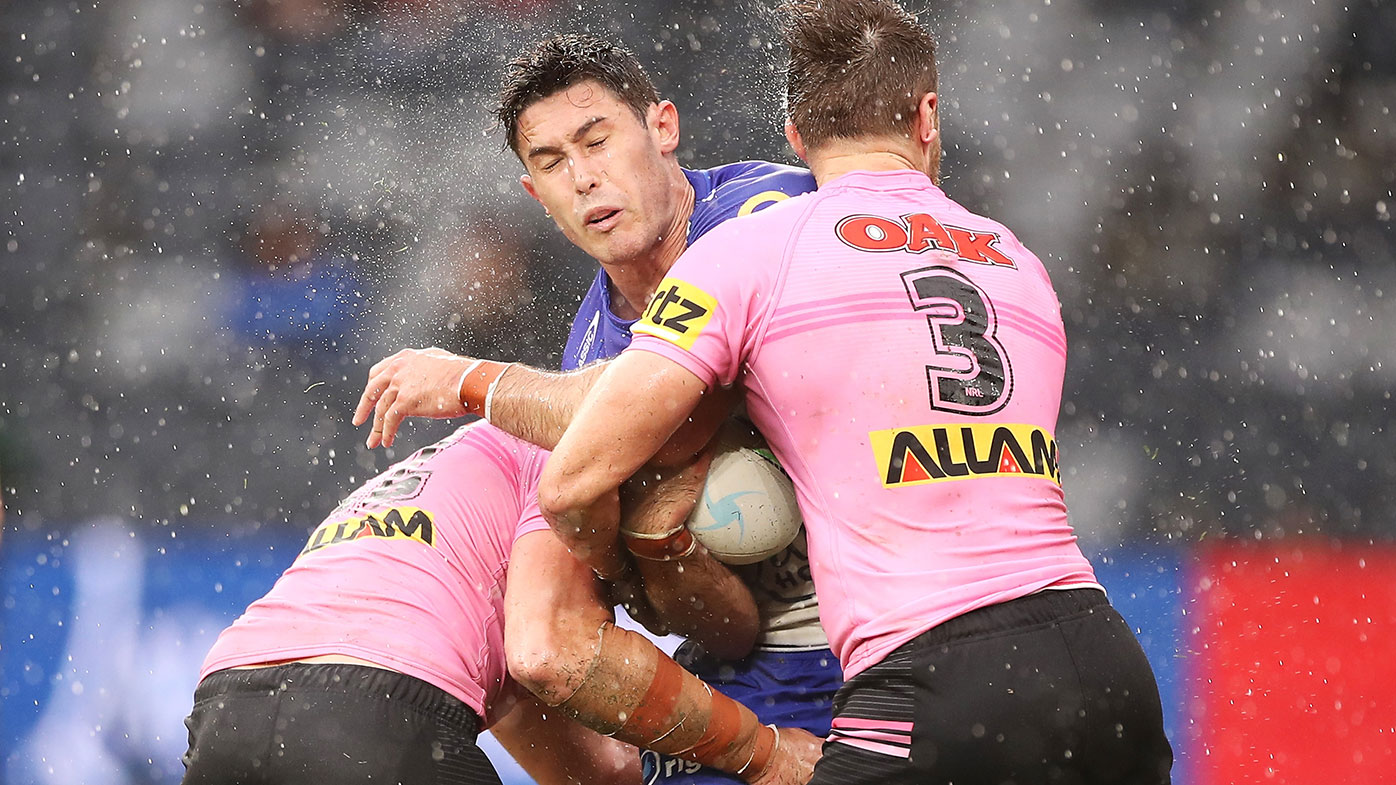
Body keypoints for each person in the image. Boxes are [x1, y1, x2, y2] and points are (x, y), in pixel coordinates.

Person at [537, 3, 1175, 784]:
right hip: (1102, 657)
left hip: (930, 674)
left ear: (796, 139)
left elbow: (574, 475)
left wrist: (633, 543)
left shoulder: (751, 247)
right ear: (928, 117)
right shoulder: (1016, 258)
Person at [352, 34, 841, 785]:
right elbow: (708, 621)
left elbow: (678, 399)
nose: (583, 178)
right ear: (535, 195)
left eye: (596, 139)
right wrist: (657, 554)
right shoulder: (590, 344)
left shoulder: (775, 210)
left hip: (892, 628)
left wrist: (472, 382)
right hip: (768, 664)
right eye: (551, 163)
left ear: (664, 128)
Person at [180, 421, 820, 785]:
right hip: (373, 714)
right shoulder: (569, 462)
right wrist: (758, 754)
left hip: (225, 710)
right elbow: (550, 653)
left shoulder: (458, 472)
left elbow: (588, 768)